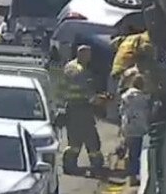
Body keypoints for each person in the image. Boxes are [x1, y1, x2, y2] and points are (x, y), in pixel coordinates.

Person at [60, 45, 109, 175]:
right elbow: (86, 91)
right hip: (79, 108)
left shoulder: (71, 66)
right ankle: (95, 166)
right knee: (89, 138)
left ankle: (71, 165)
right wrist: (99, 100)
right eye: (88, 54)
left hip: (76, 108)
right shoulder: (78, 70)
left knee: (77, 139)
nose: (90, 57)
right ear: (82, 54)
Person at [119, 73, 151, 187]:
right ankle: (134, 177)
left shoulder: (125, 96)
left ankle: (129, 175)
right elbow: (147, 112)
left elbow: (121, 111)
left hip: (127, 127)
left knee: (131, 151)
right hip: (139, 128)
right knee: (136, 154)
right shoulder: (143, 98)